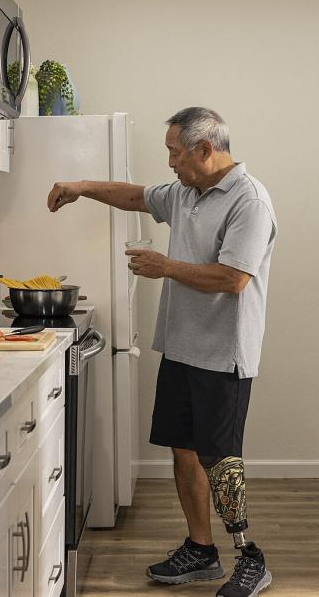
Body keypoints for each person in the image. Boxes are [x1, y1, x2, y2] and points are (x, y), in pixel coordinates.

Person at [46, 106, 277, 597]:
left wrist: (164, 266)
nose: (169, 162)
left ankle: (250, 558)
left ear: (205, 149)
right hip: (181, 347)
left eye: (175, 152)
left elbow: (233, 279)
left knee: (221, 458)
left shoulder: (249, 201)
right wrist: (81, 187)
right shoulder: (188, 192)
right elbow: (135, 196)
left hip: (223, 353)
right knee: (184, 450)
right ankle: (202, 550)